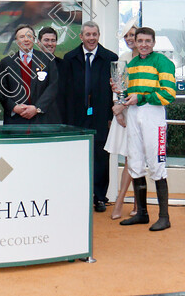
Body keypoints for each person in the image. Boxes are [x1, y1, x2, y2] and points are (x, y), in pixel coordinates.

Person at [118, 27, 176, 231]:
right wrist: (119, 90)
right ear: (134, 41)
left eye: (147, 41)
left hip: (153, 114)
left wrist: (141, 97)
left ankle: (164, 217)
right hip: (134, 114)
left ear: (153, 42)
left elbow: (168, 93)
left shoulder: (163, 62)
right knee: (135, 161)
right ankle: (142, 213)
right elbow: (127, 92)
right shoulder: (130, 64)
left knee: (157, 163)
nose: (143, 44)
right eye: (139, 40)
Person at [61, 21, 117, 212]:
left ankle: (100, 197)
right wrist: (66, 121)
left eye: (94, 34)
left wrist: (111, 116)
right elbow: (64, 93)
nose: (91, 38)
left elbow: (115, 92)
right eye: (88, 35)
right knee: (77, 157)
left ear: (99, 35)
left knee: (101, 158)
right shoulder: (69, 59)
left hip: (101, 117)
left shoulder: (110, 58)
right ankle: (79, 195)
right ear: (81, 37)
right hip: (76, 118)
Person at [107, 21, 139, 220]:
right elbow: (118, 87)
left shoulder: (151, 60)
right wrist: (118, 111)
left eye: (132, 35)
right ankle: (125, 201)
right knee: (130, 157)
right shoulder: (123, 58)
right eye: (126, 36)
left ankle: (130, 202)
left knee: (138, 158)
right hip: (126, 114)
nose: (129, 39)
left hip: (144, 112)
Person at [0, 24, 59, 124]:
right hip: (15, 121)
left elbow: (53, 86)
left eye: (29, 36)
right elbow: (2, 90)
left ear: (34, 40)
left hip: (40, 120)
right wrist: (14, 107)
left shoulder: (47, 59)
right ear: (16, 41)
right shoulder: (6, 62)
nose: (26, 40)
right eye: (22, 37)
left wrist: (37, 108)